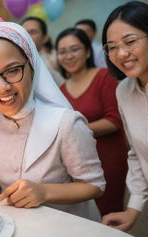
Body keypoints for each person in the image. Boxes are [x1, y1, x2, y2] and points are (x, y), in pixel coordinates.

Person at [0, 21, 106, 221]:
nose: (3, 87)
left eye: (13, 70)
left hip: (68, 230)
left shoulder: (66, 124)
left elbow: (94, 185)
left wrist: (44, 192)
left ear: (32, 65)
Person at [55, 28, 128, 216]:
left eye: (74, 49)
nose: (68, 56)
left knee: (109, 216)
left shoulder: (104, 77)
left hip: (109, 159)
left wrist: (73, 130)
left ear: (87, 51)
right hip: (79, 164)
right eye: (62, 51)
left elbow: (114, 121)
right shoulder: (60, 90)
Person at [101, 1, 148, 231]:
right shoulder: (124, 90)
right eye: (111, 47)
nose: (121, 54)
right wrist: (133, 208)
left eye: (130, 42)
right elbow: (137, 154)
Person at [21, 16, 64, 86]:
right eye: (24, 32)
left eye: (33, 32)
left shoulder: (56, 57)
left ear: (45, 38)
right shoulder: (15, 61)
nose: (27, 36)